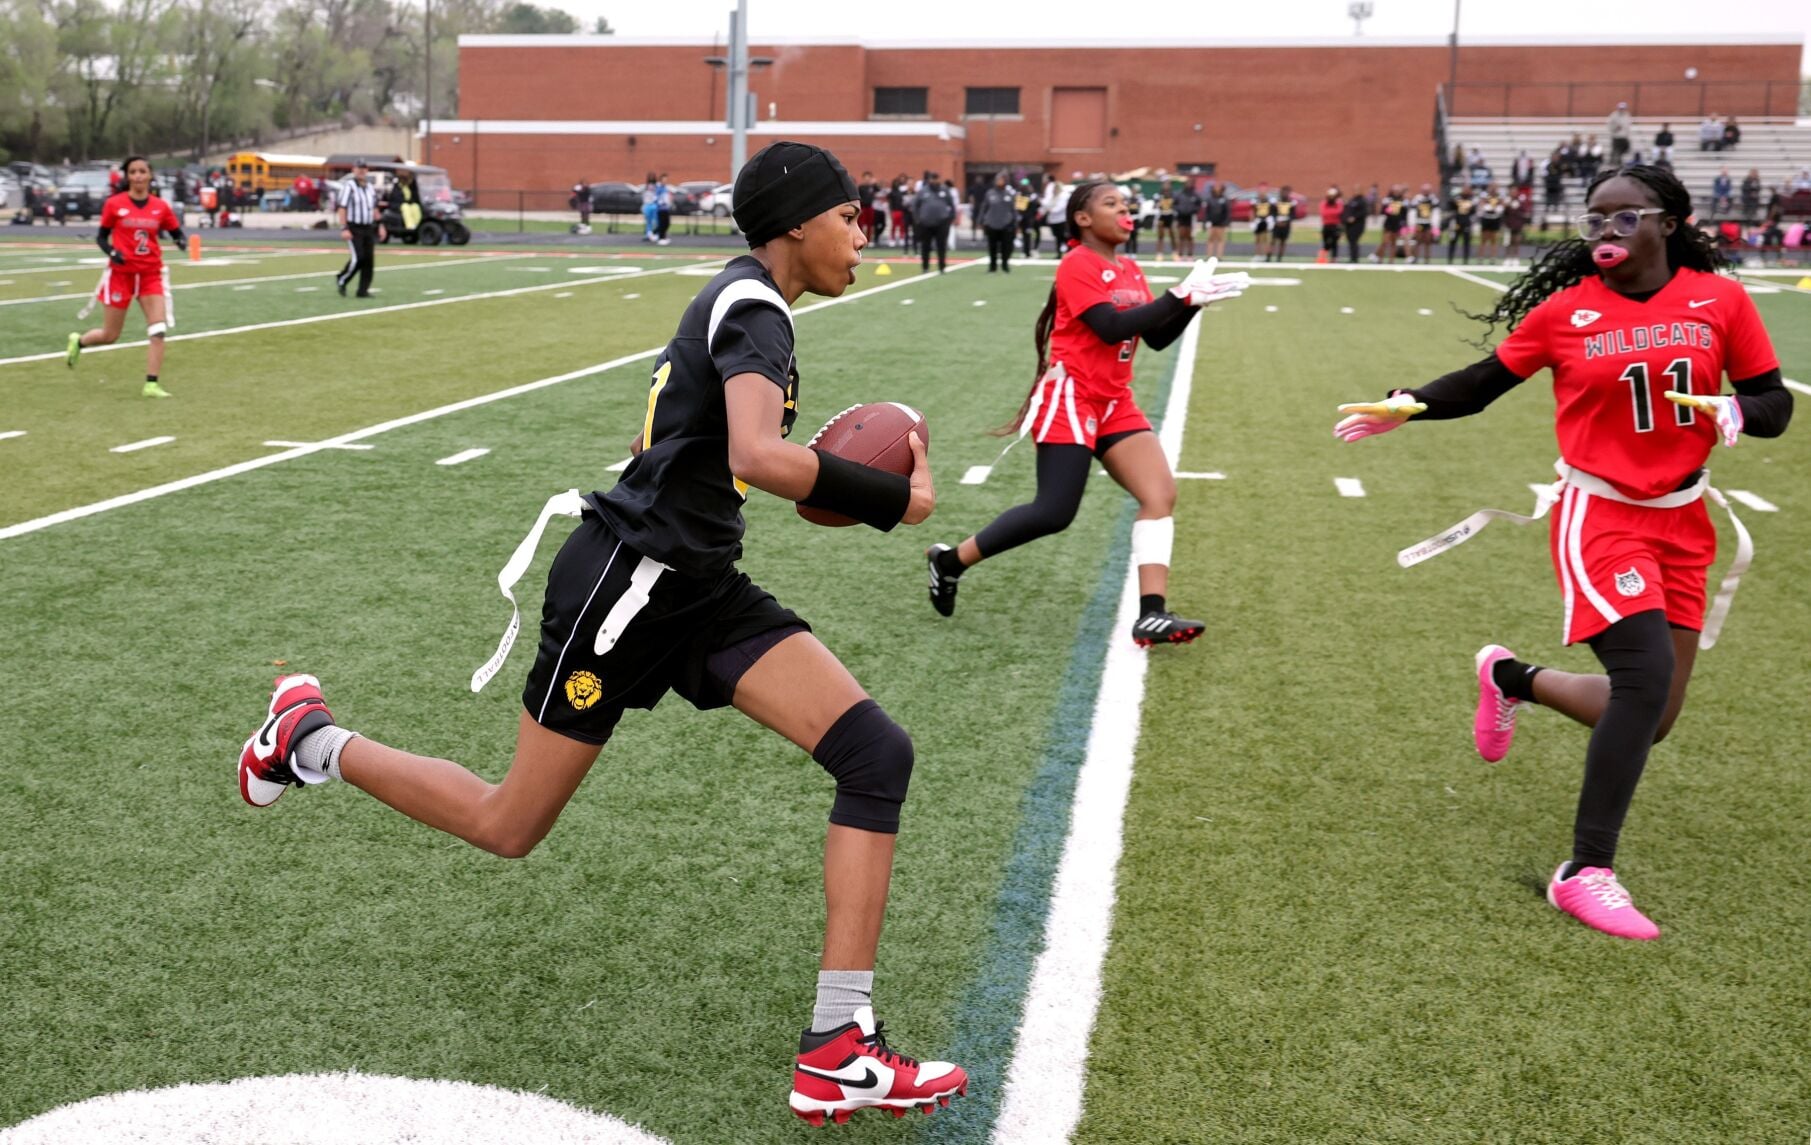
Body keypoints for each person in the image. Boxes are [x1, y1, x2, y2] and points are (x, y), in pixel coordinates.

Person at [235, 139, 969, 1127]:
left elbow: (664, 444)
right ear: (797, 220)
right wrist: (895, 498)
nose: (860, 232)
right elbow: (755, 448)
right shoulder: (753, 304)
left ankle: (838, 1044)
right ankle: (309, 738)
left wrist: (720, 484)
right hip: (630, 589)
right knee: (509, 822)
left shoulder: (743, 298)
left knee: (874, 750)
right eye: (847, 216)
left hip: (695, 580)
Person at [1332, 164, 1792, 941]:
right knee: (1641, 680)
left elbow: (1774, 404)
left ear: (1667, 222)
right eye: (1593, 220)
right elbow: (1483, 382)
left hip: (1683, 518)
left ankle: (1510, 677)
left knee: (1655, 717)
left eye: (1621, 218)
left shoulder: (1722, 300)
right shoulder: (1567, 312)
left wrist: (1735, 407)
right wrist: (1408, 403)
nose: (1603, 234)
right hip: (1598, 513)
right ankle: (1585, 870)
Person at [921, 181, 1248, 645]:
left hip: (1115, 400)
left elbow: (1152, 337)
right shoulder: (1077, 263)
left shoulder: (1130, 267)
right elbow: (1110, 327)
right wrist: (1179, 295)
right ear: (1083, 218)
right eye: (1111, 203)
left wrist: (1194, 303)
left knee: (1159, 494)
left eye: (1126, 204)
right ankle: (949, 561)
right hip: (1071, 396)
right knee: (1054, 511)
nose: (1124, 210)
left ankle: (1151, 614)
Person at [64, 155, 186, 398]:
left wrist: (180, 240)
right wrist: (112, 252)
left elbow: (175, 231)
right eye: (133, 172)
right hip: (122, 275)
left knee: (158, 329)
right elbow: (101, 237)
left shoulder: (160, 206)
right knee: (110, 335)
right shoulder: (114, 204)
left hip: (150, 274)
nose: (138, 176)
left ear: (150, 175)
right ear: (128, 177)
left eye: (142, 171)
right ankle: (79, 342)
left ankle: (151, 383)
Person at [333, 160, 384, 298]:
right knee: (358, 258)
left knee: (368, 260)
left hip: (368, 227)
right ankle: (342, 278)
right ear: (353, 170)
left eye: (364, 168)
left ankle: (363, 290)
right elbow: (342, 208)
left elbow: (374, 208)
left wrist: (380, 226)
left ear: (367, 170)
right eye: (359, 168)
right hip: (354, 227)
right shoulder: (349, 186)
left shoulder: (370, 187)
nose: (361, 171)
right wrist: (344, 228)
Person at [912, 172, 956, 274]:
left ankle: (942, 267)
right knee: (925, 246)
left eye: (936, 178)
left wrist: (950, 218)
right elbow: (915, 205)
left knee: (941, 246)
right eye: (932, 179)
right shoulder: (923, 191)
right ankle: (925, 267)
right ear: (929, 180)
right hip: (926, 223)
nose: (934, 181)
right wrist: (918, 219)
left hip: (942, 223)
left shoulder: (944, 190)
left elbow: (951, 204)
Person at [979, 172, 1018, 273]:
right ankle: (993, 266)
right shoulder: (990, 193)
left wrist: (1015, 222)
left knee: (1006, 246)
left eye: (1001, 180)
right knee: (992, 247)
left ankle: (1005, 265)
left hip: (1006, 224)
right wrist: (981, 220)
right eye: (998, 180)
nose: (999, 182)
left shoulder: (1010, 194)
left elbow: (1014, 209)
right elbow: (984, 208)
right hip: (992, 224)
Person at [1373, 184, 1405, 263]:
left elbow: (1404, 213)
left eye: (1398, 191)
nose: (1397, 192)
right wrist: (1387, 210)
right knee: (1385, 242)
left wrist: (1403, 224)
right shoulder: (1387, 199)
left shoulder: (1402, 200)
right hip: (1388, 223)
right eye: (1395, 190)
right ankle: (1380, 259)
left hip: (1397, 223)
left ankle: (1391, 260)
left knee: (1394, 242)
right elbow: (1383, 211)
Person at [1445, 184, 1476, 264]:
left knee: (1466, 242)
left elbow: (1474, 212)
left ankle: (1466, 259)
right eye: (1465, 189)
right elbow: (1449, 206)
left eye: (1467, 190)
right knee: (1453, 240)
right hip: (1456, 222)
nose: (1466, 191)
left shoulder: (1472, 200)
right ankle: (1450, 259)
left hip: (1466, 223)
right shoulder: (1456, 198)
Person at [1408, 182, 1438, 262]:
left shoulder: (1433, 199)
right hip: (1419, 222)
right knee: (1418, 241)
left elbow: (1436, 213)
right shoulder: (1417, 199)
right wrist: (1412, 224)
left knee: (1428, 241)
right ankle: (1415, 258)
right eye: (1425, 190)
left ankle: (1427, 259)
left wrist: (1435, 226)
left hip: (1428, 223)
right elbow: (1412, 212)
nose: (1426, 192)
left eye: (1427, 190)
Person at [389, 167, 421, 239]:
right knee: (405, 207)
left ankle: (417, 224)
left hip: (408, 204)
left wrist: (412, 201)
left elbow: (414, 196)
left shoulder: (411, 185)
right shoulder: (397, 186)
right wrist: (405, 201)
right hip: (398, 204)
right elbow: (395, 197)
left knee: (416, 206)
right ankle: (410, 226)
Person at [1041, 175, 1070, 254]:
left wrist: (1051, 210)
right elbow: (1047, 204)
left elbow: (1060, 207)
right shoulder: (1053, 197)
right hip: (1053, 220)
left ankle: (1067, 249)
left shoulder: (1064, 196)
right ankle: (1058, 252)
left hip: (1061, 219)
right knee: (1057, 237)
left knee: (1062, 236)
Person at [1504, 184, 1531, 267]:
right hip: (1509, 224)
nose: (1513, 192)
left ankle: (1515, 258)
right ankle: (1508, 258)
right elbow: (1504, 212)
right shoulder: (1507, 200)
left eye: (1515, 191)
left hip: (1518, 224)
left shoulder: (1520, 200)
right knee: (1508, 242)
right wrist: (1507, 206)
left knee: (1517, 241)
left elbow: (1525, 212)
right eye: (1512, 191)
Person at [1476, 183, 1505, 263]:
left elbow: (1502, 205)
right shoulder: (1485, 195)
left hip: (1495, 218)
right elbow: (1481, 204)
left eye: (1495, 187)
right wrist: (1485, 207)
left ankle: (1493, 257)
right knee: (1483, 239)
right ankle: (1480, 257)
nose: (1493, 189)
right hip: (1486, 218)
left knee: (1494, 239)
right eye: (1492, 187)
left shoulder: (1499, 196)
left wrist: (1498, 208)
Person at [1340, 183, 1367, 263]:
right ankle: (1352, 257)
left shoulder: (1362, 201)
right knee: (1351, 241)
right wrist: (1345, 219)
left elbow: (1363, 212)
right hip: (1349, 225)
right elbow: (1347, 210)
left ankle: (1354, 258)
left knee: (1354, 241)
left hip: (1357, 225)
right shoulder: (1352, 200)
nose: (1356, 191)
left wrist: (1354, 217)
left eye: (1358, 190)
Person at [1172, 180, 1199, 259]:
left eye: (1189, 184)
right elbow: (1174, 204)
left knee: (1190, 236)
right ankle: (1180, 254)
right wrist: (1179, 210)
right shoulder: (1179, 194)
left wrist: (1193, 210)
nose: (1188, 185)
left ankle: (1190, 254)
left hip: (1191, 218)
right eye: (1187, 184)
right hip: (1181, 217)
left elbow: (1199, 204)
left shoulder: (1194, 195)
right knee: (1181, 236)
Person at [1266, 186, 1294, 262]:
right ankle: (1268, 256)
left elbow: (1292, 215)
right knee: (1273, 241)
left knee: (1283, 241)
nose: (1285, 194)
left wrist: (1286, 222)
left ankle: (1279, 258)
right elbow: (1272, 212)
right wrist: (1276, 221)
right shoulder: (1276, 202)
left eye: (1287, 192)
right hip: (1276, 224)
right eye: (1284, 192)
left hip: (1286, 225)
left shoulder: (1291, 202)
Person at [1203, 183, 1230, 260]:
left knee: (1220, 239)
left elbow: (1227, 212)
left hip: (1221, 222)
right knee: (1210, 239)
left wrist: (1226, 222)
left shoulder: (1224, 199)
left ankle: (1219, 256)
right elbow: (1207, 212)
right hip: (1212, 222)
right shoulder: (1210, 199)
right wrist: (1206, 221)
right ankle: (1209, 255)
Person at [1016, 177, 1041, 259]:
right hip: (1024, 219)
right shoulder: (1020, 195)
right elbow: (1019, 208)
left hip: (1031, 219)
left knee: (1032, 235)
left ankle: (1033, 250)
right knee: (1025, 235)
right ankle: (1026, 251)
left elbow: (1037, 206)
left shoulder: (1033, 195)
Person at [1318, 187, 1343, 262]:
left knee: (1335, 243)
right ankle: (1322, 258)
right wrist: (1333, 212)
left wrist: (1331, 213)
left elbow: (1339, 212)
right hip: (1326, 225)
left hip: (1335, 226)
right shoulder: (1324, 203)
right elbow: (1324, 213)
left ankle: (1334, 258)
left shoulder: (1338, 203)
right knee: (1326, 243)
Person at [1154, 179, 1177, 261]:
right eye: (1165, 184)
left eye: (1168, 184)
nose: (1166, 186)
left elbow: (1176, 205)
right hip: (1162, 215)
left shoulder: (1173, 195)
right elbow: (1155, 206)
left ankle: (1175, 253)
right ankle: (1159, 253)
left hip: (1170, 215)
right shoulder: (1159, 195)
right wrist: (1157, 204)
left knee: (1172, 235)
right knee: (1160, 236)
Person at [1250, 182, 1274, 259]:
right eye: (1260, 190)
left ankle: (1265, 255)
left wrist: (1271, 220)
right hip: (1258, 220)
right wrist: (1252, 221)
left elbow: (1273, 211)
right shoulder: (1255, 200)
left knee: (1266, 238)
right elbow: (1252, 211)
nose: (1262, 192)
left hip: (1267, 220)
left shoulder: (1270, 200)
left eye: (1264, 190)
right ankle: (1258, 254)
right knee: (1257, 238)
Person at [856, 171, 881, 244]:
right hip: (863, 208)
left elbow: (878, 189)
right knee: (861, 224)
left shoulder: (872, 187)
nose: (867, 179)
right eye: (866, 178)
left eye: (869, 178)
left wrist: (875, 183)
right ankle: (860, 240)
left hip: (870, 207)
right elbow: (858, 198)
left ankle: (869, 240)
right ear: (863, 178)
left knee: (870, 224)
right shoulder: (861, 187)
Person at [889, 173, 911, 247]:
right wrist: (891, 211)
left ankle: (902, 238)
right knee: (894, 225)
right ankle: (892, 239)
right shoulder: (891, 193)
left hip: (901, 210)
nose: (896, 184)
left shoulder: (901, 192)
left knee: (902, 225)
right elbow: (890, 203)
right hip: (895, 210)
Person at [1606, 102, 1631, 166]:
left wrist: (1627, 134)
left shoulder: (1627, 115)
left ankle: (1619, 161)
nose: (1622, 110)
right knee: (1616, 150)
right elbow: (1609, 126)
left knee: (1625, 149)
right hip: (1616, 137)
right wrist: (1615, 128)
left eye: (1623, 108)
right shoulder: (1613, 115)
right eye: (1621, 108)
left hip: (1624, 137)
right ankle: (1614, 162)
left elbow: (1627, 126)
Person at [640, 173, 659, 243]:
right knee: (649, 221)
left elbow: (657, 197)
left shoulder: (656, 187)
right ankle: (648, 235)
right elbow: (644, 198)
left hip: (654, 205)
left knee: (656, 221)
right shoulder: (645, 187)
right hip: (647, 206)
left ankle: (656, 234)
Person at [655, 174, 673, 245]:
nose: (665, 181)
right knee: (662, 224)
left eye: (666, 179)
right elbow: (656, 198)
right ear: (661, 180)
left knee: (667, 223)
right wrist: (661, 202)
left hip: (666, 208)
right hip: (660, 209)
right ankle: (660, 238)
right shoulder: (659, 188)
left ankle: (663, 237)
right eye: (664, 179)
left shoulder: (665, 188)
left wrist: (669, 201)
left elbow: (667, 198)